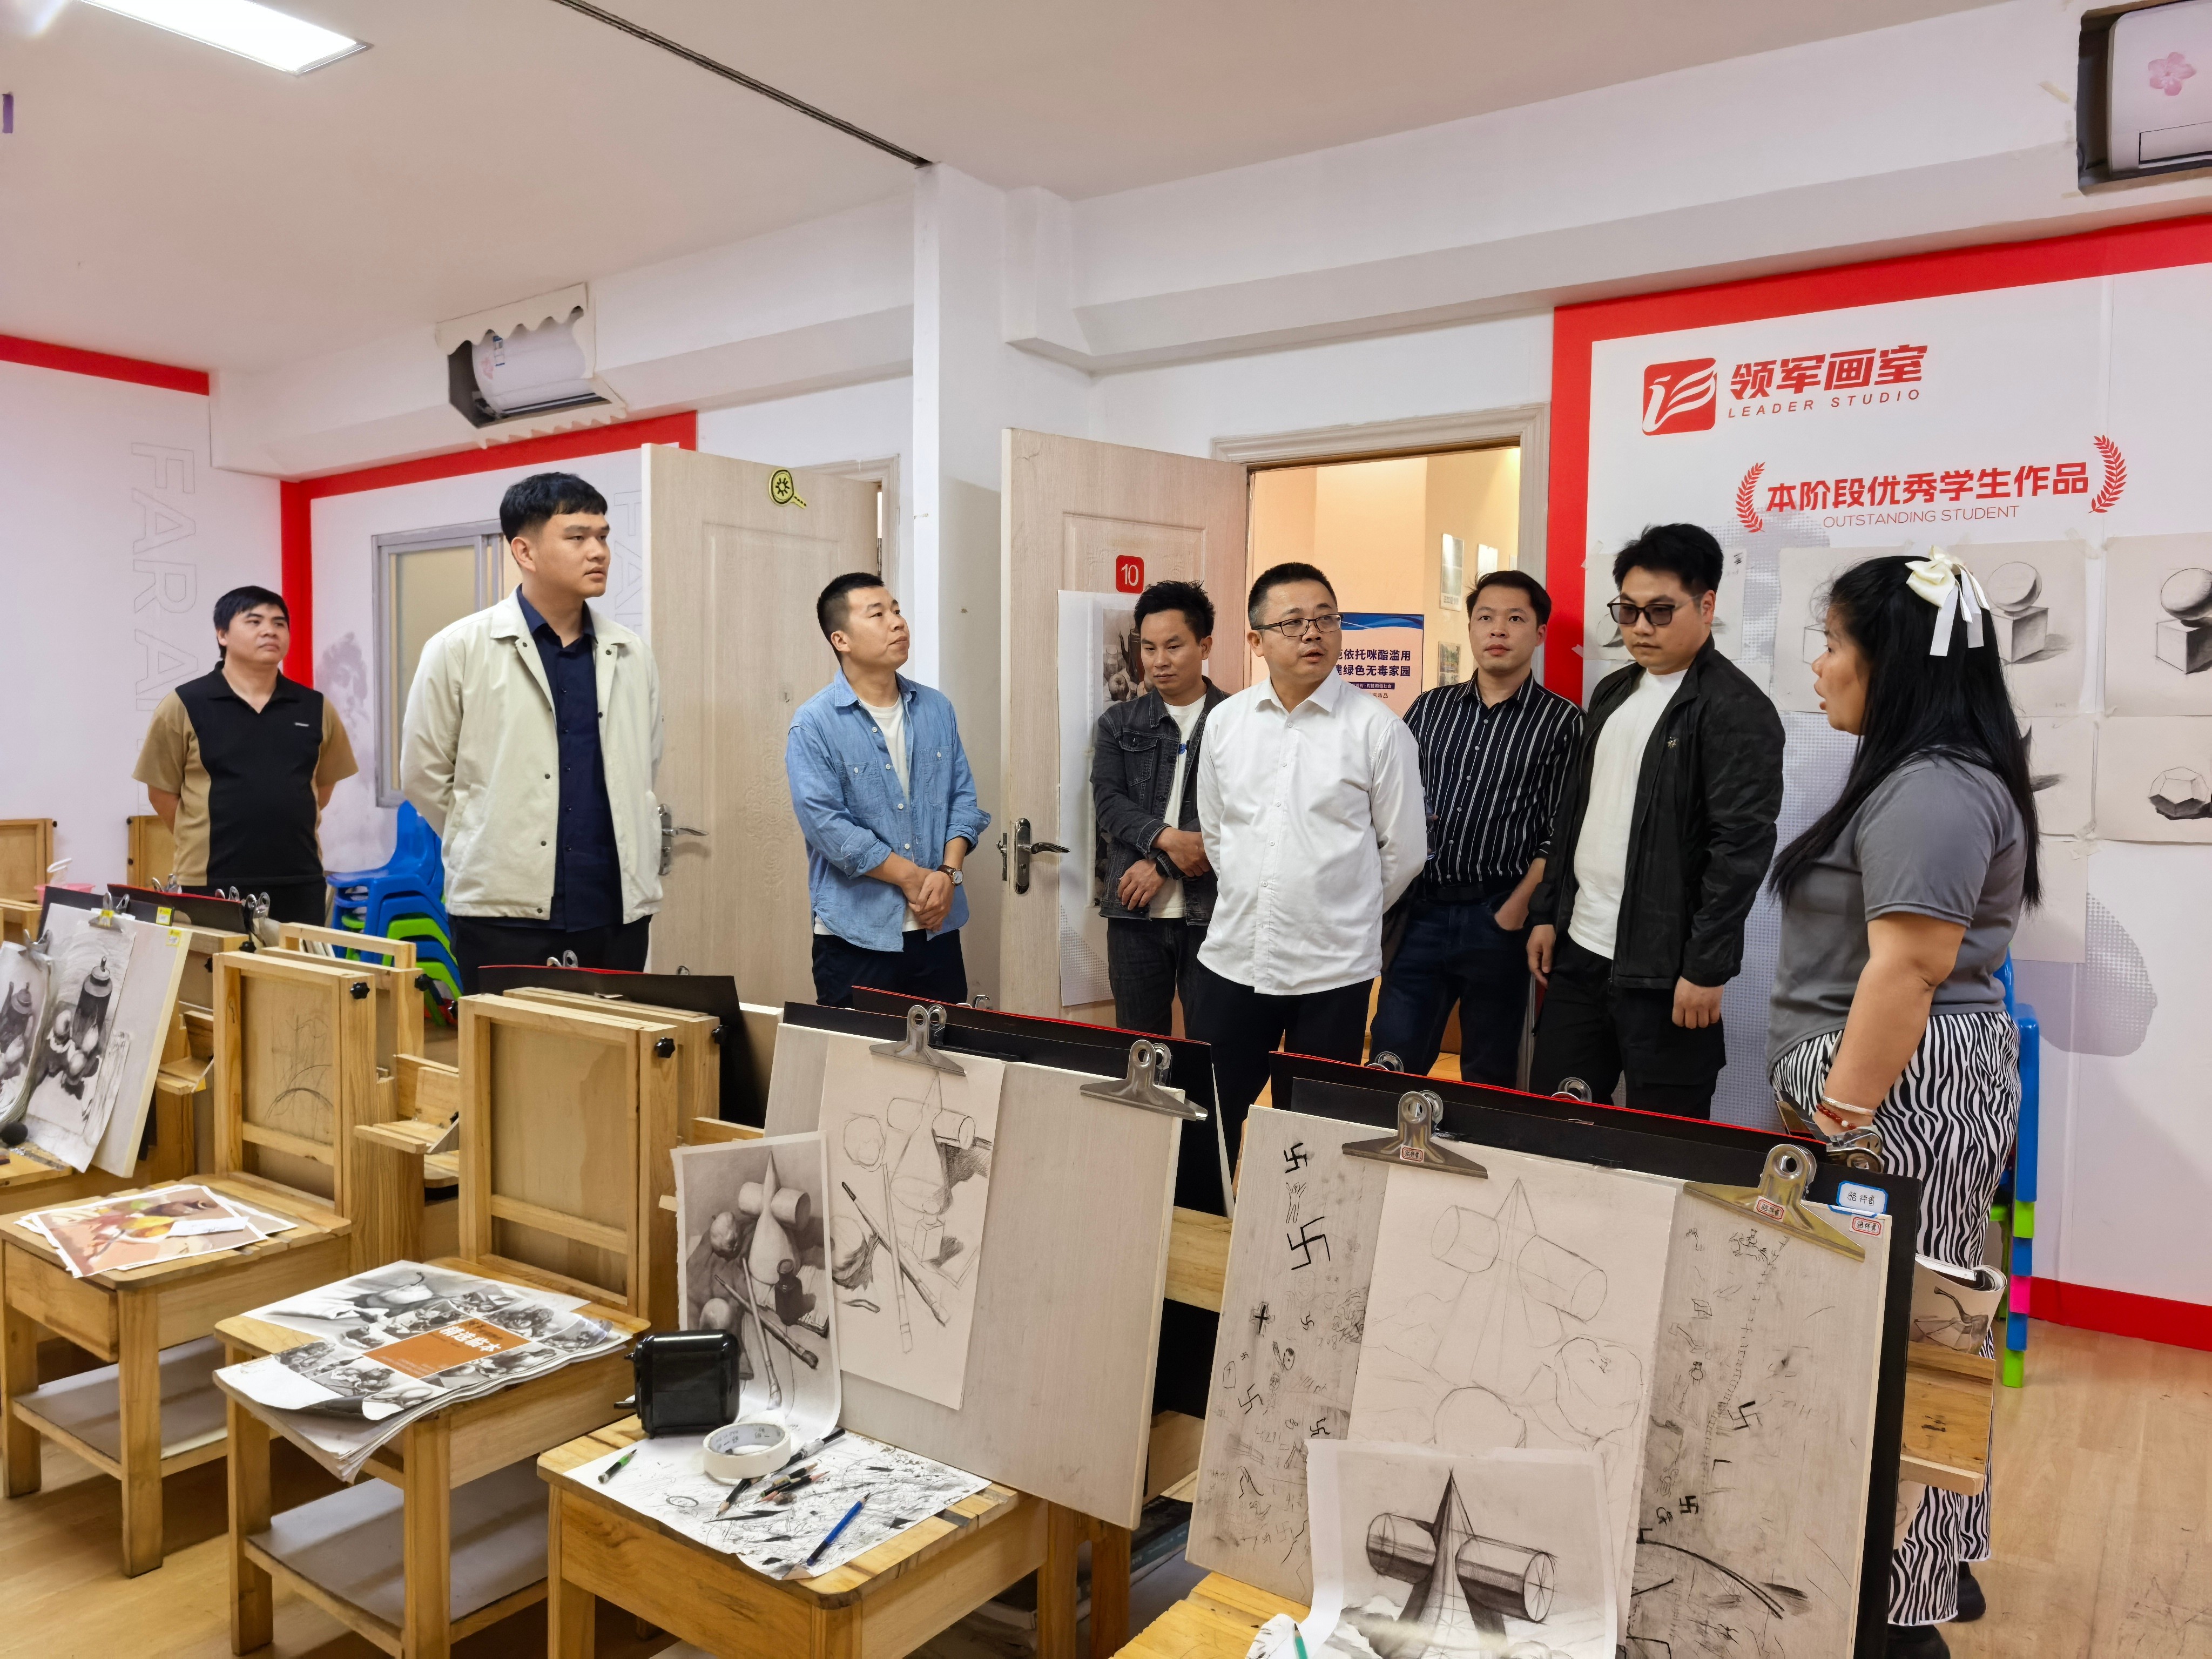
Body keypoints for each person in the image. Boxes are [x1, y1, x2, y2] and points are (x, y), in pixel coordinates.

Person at [1768, 551, 2034, 1658]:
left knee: (1891, 1355)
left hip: (1894, 1093)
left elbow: (1909, 968)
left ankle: (1896, 1615)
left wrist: (1840, 1124)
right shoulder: (1929, 775)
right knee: (1929, 1335)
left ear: (1892, 662)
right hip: (1910, 1086)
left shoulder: (1930, 786)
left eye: (1833, 644)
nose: (1819, 666)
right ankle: (1933, 1564)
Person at [1526, 523, 1783, 1117]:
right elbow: (1575, 813)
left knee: (1663, 1143)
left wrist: (1706, 968)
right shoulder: (1613, 691)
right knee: (1554, 1127)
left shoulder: (1737, 710)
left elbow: (1739, 851)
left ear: (1707, 605)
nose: (1640, 627)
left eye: (1661, 612)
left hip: (1667, 974)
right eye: (1628, 610)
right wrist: (1547, 912)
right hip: (1580, 952)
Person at [400, 473, 662, 992]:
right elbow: (423, 775)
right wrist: (485, 831)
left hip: (613, 907)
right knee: (503, 1045)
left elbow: (645, 762)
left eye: (603, 536)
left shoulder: (631, 653)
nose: (599, 552)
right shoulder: (459, 648)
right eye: (577, 537)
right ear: (525, 551)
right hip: (501, 912)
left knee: (609, 1043)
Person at [1192, 562, 1425, 1116]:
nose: (1312, 634)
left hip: (1331, 969)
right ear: (1256, 641)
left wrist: (1342, 908)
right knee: (1210, 1115)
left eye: (1326, 619)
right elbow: (1218, 833)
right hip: (1235, 957)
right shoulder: (1226, 722)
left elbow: (1405, 853)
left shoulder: (1378, 730)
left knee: (1312, 1130)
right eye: (1292, 622)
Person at [1369, 570, 1582, 1083]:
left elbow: (1562, 831)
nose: (1498, 630)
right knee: (1392, 1057)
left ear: (1540, 633)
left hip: (1498, 916)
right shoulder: (1429, 708)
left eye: (1515, 619)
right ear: (1470, 628)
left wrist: (1515, 911)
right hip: (1420, 910)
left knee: (1490, 1069)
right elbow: (1391, 801)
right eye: (1485, 618)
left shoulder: (1563, 721)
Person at [786, 573, 989, 1006]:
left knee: (943, 1049)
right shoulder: (814, 723)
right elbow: (828, 826)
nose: (898, 622)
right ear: (841, 639)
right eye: (877, 614)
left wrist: (949, 874)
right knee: (858, 1050)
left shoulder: (937, 708)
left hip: (937, 930)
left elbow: (963, 801)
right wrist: (914, 878)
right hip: (856, 935)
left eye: (896, 610)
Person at [134, 585, 358, 925]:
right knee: (216, 961)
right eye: (254, 621)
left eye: (279, 623)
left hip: (299, 877)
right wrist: (200, 836)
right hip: (211, 881)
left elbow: (320, 789)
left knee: (296, 962)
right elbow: (161, 793)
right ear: (222, 634)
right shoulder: (185, 704)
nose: (270, 630)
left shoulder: (315, 707)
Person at [1090, 581, 1228, 1034]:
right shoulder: (1119, 721)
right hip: (1134, 914)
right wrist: (1168, 840)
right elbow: (1109, 803)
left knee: (1212, 1047)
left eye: (1173, 646)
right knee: (1140, 1049)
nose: (1158, 661)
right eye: (1148, 648)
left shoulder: (1239, 721)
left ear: (1204, 646)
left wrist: (1162, 866)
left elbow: (1238, 812)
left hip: (1214, 912)